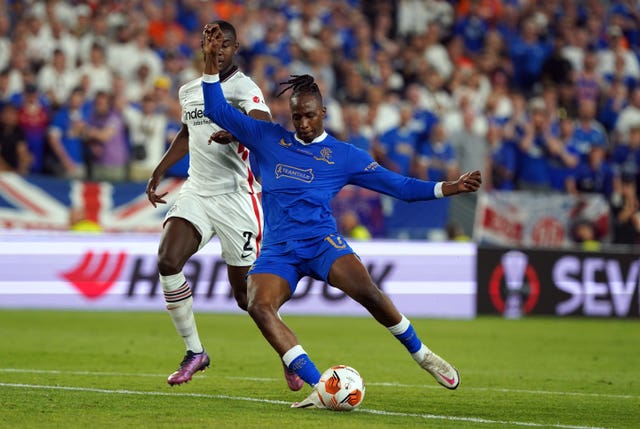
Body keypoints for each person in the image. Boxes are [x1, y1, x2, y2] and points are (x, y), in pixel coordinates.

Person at [201, 24, 482, 408]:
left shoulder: (344, 155)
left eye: (309, 117)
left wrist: (447, 187)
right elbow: (215, 108)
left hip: (321, 243)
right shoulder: (268, 137)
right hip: (280, 249)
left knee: (369, 292)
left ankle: (423, 355)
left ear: (323, 113)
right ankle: (320, 385)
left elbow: (398, 186)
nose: (302, 124)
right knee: (257, 305)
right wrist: (209, 62)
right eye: (296, 116)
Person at [145, 21, 304, 392]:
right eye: (211, 42)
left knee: (247, 298)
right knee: (167, 261)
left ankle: (289, 353)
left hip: (237, 197)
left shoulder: (243, 87)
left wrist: (236, 130)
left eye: (224, 44)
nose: (217, 50)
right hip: (197, 191)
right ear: (202, 46)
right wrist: (159, 170)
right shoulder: (189, 91)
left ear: (235, 48)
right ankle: (195, 352)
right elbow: (187, 134)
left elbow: (262, 123)